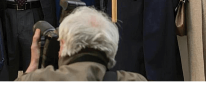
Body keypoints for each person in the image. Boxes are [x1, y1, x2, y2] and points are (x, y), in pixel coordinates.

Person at [14, 6, 147, 82]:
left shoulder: (38, 80)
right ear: (111, 46)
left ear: (63, 44)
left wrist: (32, 68)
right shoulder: (134, 80)